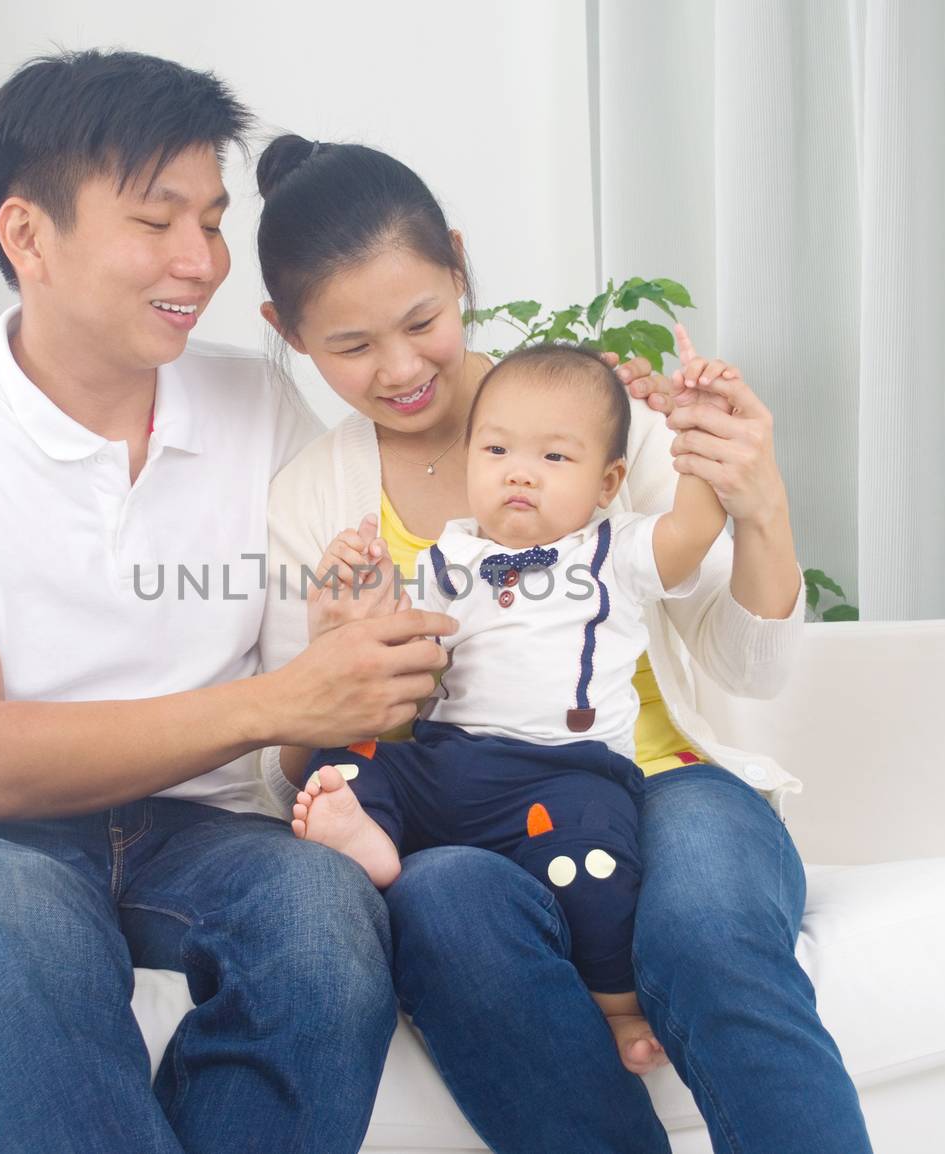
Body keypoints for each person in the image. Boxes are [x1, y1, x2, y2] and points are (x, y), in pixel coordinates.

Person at [0, 52, 458, 1154]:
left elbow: (401, 493)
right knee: (12, 923)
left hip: (201, 831)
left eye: (211, 220)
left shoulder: (254, 398)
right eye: (156, 220)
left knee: (322, 915)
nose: (200, 261)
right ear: (27, 235)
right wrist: (279, 697)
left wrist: (585, 427)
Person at [256, 134, 874, 1154]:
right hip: (464, 811)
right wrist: (333, 663)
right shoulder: (311, 498)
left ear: (457, 265)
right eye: (351, 346)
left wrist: (755, 501)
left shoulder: (593, 413)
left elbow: (749, 668)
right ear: (286, 330)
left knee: (703, 927)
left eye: (422, 321)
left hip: (660, 777)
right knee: (444, 898)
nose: (401, 368)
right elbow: (301, 774)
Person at [292, 342, 728, 1067]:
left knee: (592, 868)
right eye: (497, 449)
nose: (520, 471)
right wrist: (361, 596)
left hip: (567, 775)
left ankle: (616, 1004)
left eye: (555, 459)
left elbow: (691, 534)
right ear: (471, 463)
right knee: (353, 761)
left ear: (607, 481)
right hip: (447, 763)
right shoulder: (448, 556)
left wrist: (700, 445)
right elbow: (398, 652)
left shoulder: (614, 550)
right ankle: (372, 838)